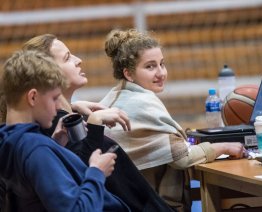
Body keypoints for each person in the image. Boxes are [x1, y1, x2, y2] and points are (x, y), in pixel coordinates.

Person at [19, 34, 175, 212]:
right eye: (68, 58)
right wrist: (94, 125)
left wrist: (73, 108)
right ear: (47, 73)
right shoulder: (54, 124)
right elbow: (78, 172)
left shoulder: (65, 118)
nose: (79, 60)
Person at [100, 28, 245, 211]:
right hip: (145, 205)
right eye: (150, 66)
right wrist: (223, 146)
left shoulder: (113, 97)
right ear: (128, 73)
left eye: (162, 64)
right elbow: (181, 158)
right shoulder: (141, 103)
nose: (160, 73)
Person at [0, 50, 129, 211]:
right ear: (33, 97)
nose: (58, 107)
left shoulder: (10, 141)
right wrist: (97, 173)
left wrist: (54, 145)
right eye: (54, 98)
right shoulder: (36, 148)